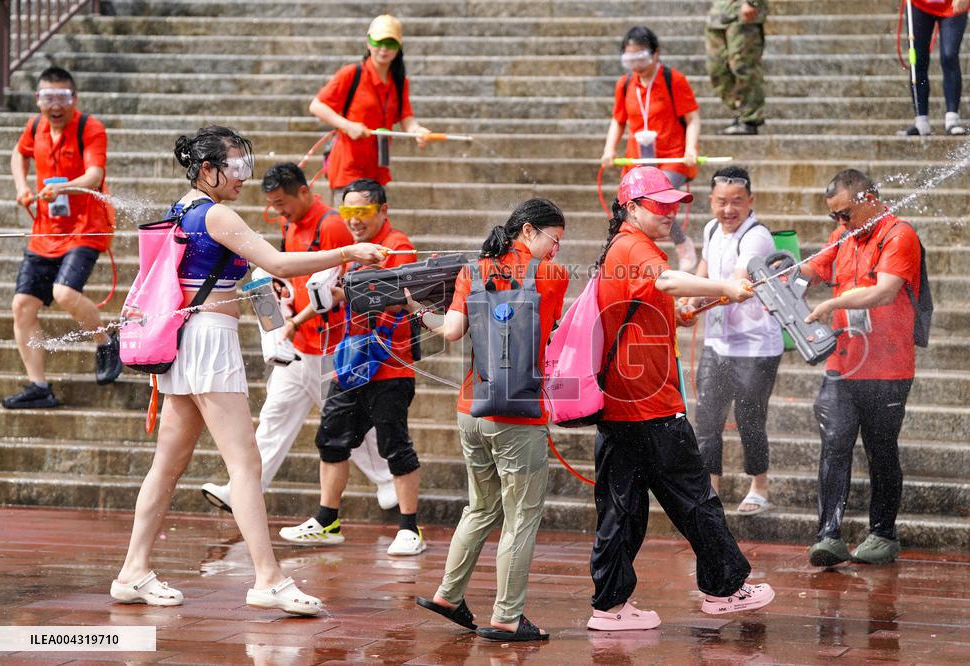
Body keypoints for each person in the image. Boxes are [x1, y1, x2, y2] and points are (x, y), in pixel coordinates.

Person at [111, 126, 386, 615]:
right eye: (234, 167)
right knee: (245, 464)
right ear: (208, 169)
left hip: (184, 341)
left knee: (167, 466)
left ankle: (133, 570)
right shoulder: (215, 212)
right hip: (209, 341)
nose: (243, 177)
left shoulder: (185, 207)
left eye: (245, 165)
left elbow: (242, 270)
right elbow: (278, 262)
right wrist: (347, 252)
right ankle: (268, 578)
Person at [588, 166, 774, 632]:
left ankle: (609, 607)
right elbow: (668, 282)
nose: (670, 213)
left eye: (673, 205)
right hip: (650, 405)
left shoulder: (621, 246)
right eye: (659, 205)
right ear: (631, 208)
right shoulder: (635, 245)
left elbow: (654, 299)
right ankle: (725, 589)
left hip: (621, 404)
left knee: (622, 510)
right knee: (695, 499)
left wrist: (680, 312)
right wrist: (725, 287)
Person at [410, 199, 569, 642]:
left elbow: (452, 331)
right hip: (519, 415)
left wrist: (419, 311)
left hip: (471, 411)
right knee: (520, 517)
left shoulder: (472, 271)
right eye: (553, 240)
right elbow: (551, 330)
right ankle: (507, 617)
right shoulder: (553, 277)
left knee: (480, 507)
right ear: (529, 231)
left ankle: (448, 594)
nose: (555, 251)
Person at [200, 163, 398, 519]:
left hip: (331, 346)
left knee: (345, 423)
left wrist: (292, 321)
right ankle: (243, 489)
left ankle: (389, 480)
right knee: (275, 417)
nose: (278, 211)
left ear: (304, 192)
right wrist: (278, 312)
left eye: (282, 203)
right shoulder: (290, 224)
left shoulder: (333, 225)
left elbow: (335, 287)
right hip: (297, 348)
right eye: (273, 204)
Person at [281, 179, 426, 556]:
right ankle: (326, 519)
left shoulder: (399, 244)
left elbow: (396, 299)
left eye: (362, 213)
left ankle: (410, 527)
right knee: (331, 437)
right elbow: (328, 291)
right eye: (348, 213)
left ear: (382, 210)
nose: (355, 221)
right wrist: (296, 320)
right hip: (351, 360)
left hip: (391, 363)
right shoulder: (352, 250)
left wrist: (342, 293)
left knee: (395, 443)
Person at [801, 169, 923, 567]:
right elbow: (809, 270)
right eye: (834, 215)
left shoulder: (898, 234)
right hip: (844, 362)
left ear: (869, 198)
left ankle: (883, 533)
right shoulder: (843, 235)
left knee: (881, 449)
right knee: (834, 443)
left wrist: (832, 305)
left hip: (888, 368)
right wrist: (760, 274)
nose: (839, 222)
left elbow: (885, 290)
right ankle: (828, 536)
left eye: (845, 213)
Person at [4, 66, 121, 409]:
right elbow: (18, 154)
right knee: (22, 306)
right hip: (45, 231)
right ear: (37, 100)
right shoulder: (35, 126)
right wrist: (23, 188)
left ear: (75, 98)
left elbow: (95, 174)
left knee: (64, 291)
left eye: (63, 98)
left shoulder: (90, 127)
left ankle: (105, 341)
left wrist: (64, 188)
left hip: (86, 226)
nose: (55, 105)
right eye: (47, 97)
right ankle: (39, 386)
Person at [688, 166, 782, 515]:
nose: (729, 210)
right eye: (721, 202)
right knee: (708, 418)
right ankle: (711, 488)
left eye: (737, 203)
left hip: (756, 345)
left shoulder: (756, 236)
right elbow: (704, 266)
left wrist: (697, 297)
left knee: (749, 417)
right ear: (711, 201)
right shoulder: (712, 227)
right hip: (718, 341)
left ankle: (759, 485)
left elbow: (739, 283)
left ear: (750, 202)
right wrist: (689, 298)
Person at [600, 26, 701, 272]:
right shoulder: (624, 84)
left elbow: (692, 118)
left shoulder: (672, 79)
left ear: (656, 54)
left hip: (672, 156)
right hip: (638, 159)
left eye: (641, 57)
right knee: (627, 206)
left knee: (658, 197)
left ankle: (681, 243)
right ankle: (628, 249)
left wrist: (690, 148)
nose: (636, 64)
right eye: (630, 58)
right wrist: (609, 149)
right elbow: (618, 120)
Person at [309, 14, 431, 200]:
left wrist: (416, 130)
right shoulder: (351, 73)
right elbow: (317, 106)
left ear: (398, 47)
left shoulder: (398, 81)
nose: (383, 49)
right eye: (378, 42)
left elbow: (406, 116)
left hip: (377, 168)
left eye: (390, 43)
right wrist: (347, 125)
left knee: (375, 224)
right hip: (348, 167)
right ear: (368, 42)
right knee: (351, 223)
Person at [901, 0, 970, 136]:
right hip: (919, 4)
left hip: (952, 6)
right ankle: (921, 121)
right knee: (917, 59)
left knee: (949, 56)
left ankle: (952, 119)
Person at [705, 0, 768, 135]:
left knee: (742, 66)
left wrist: (753, 3)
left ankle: (749, 118)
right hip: (718, 14)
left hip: (742, 13)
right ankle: (740, 110)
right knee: (717, 68)